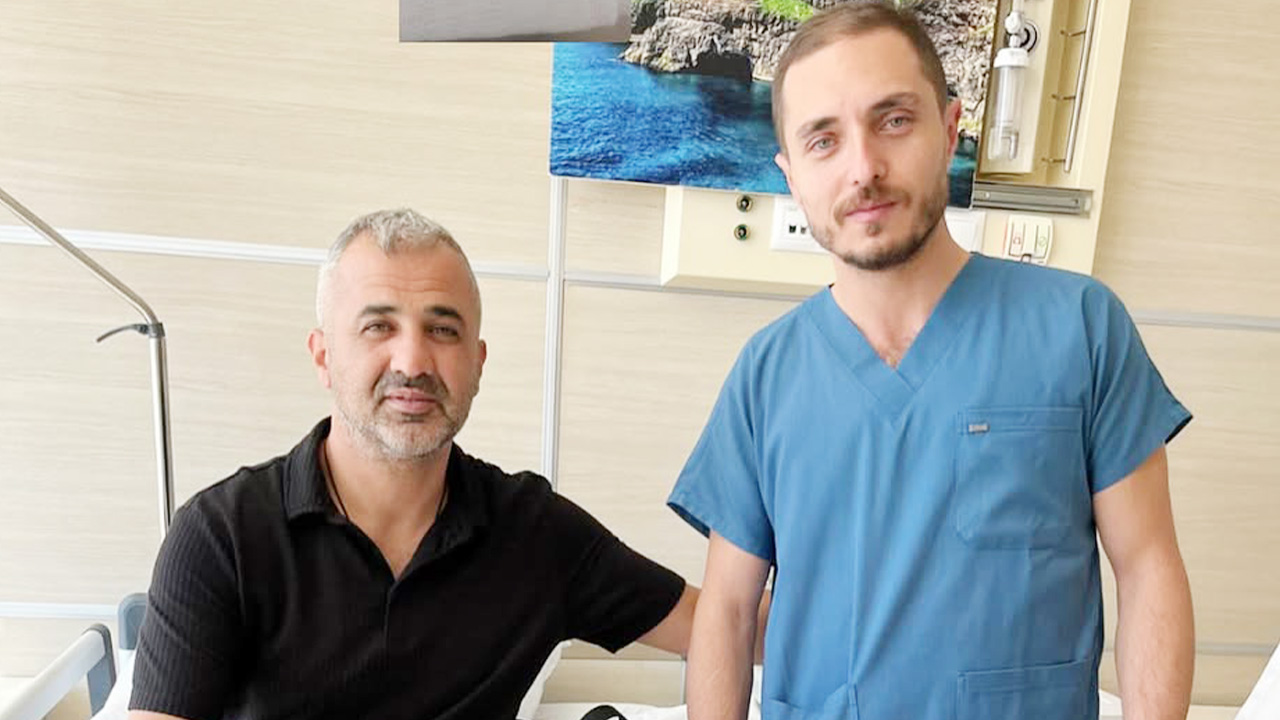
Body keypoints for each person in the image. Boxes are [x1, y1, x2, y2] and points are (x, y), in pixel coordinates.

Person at [669, 3, 1195, 720]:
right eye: (824, 140)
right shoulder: (766, 376)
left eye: (893, 120)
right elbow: (728, 613)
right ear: (791, 175)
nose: (863, 168)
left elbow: (1147, 567)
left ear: (950, 131)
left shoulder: (1080, 327)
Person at [128, 208, 701, 720]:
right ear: (323, 355)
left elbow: (719, 625)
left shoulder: (537, 532)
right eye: (379, 326)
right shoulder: (222, 536)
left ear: (477, 364)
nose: (413, 361)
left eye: (443, 330)